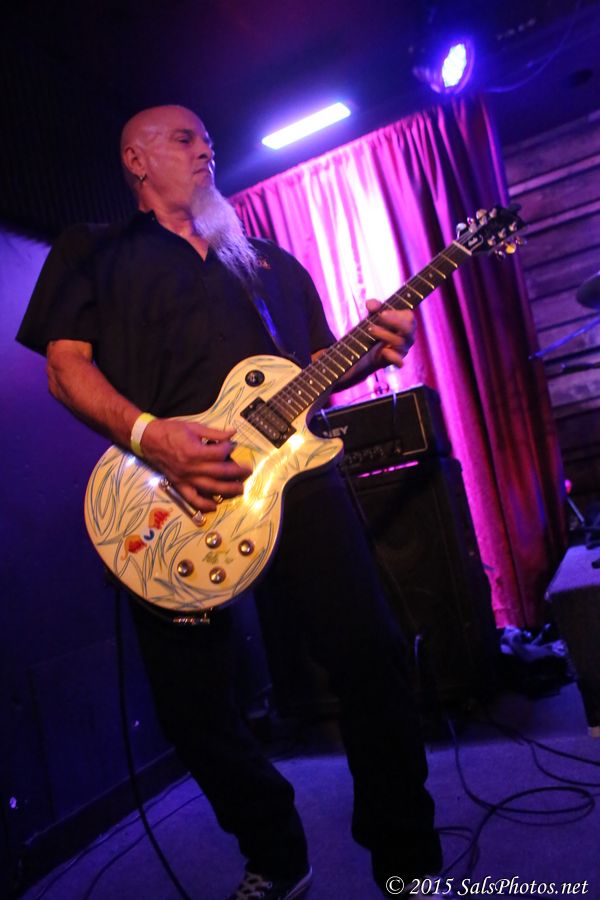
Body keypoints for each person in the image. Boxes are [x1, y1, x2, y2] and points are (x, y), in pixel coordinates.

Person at [17, 105, 444, 900]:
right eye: (185, 138)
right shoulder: (92, 251)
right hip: (166, 499)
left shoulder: (269, 262)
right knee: (193, 708)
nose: (205, 148)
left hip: (296, 482)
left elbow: (314, 367)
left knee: (374, 658)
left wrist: (376, 346)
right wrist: (153, 437)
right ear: (136, 159)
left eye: (209, 140)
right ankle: (276, 855)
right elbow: (65, 368)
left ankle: (409, 865)